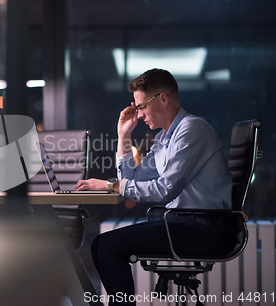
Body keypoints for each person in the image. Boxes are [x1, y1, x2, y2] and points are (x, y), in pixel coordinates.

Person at [74, 68, 232, 305]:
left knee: (106, 246)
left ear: (163, 99)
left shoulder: (192, 129)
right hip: (184, 222)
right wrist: (123, 134)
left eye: (141, 107)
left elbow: (165, 189)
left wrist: (112, 185)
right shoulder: (165, 138)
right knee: (103, 245)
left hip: (204, 227)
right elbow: (134, 177)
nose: (138, 114)